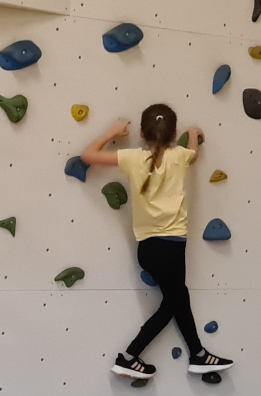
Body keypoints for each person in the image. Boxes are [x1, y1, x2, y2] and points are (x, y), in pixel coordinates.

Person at [80, 103, 233, 380]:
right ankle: (129, 357)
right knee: (172, 304)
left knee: (178, 298)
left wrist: (112, 132)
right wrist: (194, 133)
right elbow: (194, 154)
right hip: (171, 247)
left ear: (142, 133)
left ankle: (198, 354)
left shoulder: (133, 158)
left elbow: (88, 156)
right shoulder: (180, 156)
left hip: (148, 249)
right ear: (174, 134)